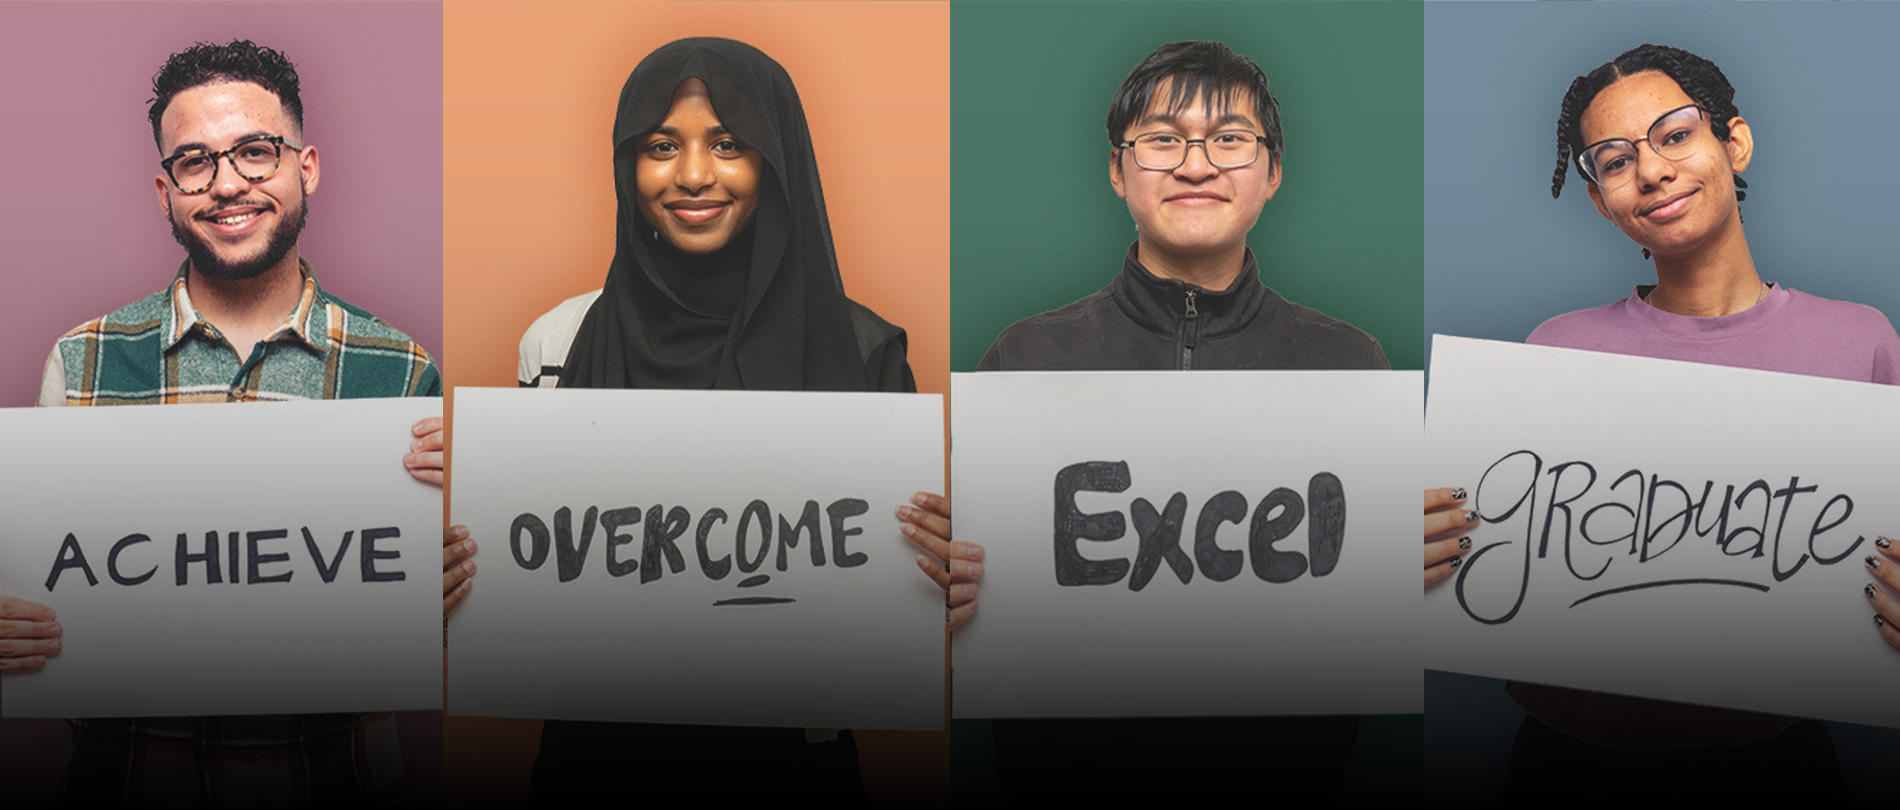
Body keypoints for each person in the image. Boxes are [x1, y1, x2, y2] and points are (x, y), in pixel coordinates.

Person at [442, 37, 955, 802]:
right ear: (627, 164)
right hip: (597, 751)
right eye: (660, 145)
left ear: (776, 161)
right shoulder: (555, 344)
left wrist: (934, 574)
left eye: (729, 143)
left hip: (794, 757)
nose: (691, 175)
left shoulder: (862, 351)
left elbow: (882, 591)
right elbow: (535, 559)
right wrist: (462, 570)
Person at [963, 39, 1407, 803]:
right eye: (1164, 139)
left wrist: (1405, 562)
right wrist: (951, 580)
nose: (1196, 164)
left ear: (1272, 171)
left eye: (1230, 139)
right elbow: (987, 576)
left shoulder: (1350, 364)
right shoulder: (1025, 355)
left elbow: (1363, 592)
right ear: (1117, 169)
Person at [0, 40, 443, 805]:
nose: (227, 184)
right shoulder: (81, 363)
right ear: (165, 190)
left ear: (305, 168)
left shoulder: (402, 370)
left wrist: (459, 568)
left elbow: (436, 614)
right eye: (195, 162)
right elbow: (34, 573)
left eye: (255, 152)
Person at [1498, 42, 1900, 801]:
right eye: (1613, 161)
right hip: (1564, 766)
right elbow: (1497, 566)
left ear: (1733, 141)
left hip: (1778, 765)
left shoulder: (1862, 343)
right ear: (1598, 199)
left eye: (1675, 135)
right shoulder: (1554, 352)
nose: (1650, 171)